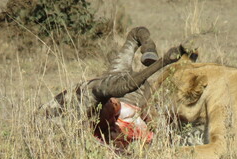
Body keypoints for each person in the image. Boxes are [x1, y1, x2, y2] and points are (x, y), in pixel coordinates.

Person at [40, 27, 196, 145]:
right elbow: (126, 88)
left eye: (110, 102)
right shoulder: (114, 123)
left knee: (136, 36)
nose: (113, 102)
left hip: (115, 79)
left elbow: (136, 34)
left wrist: (150, 50)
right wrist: (163, 62)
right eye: (110, 107)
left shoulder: (103, 84)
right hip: (131, 97)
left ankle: (149, 48)